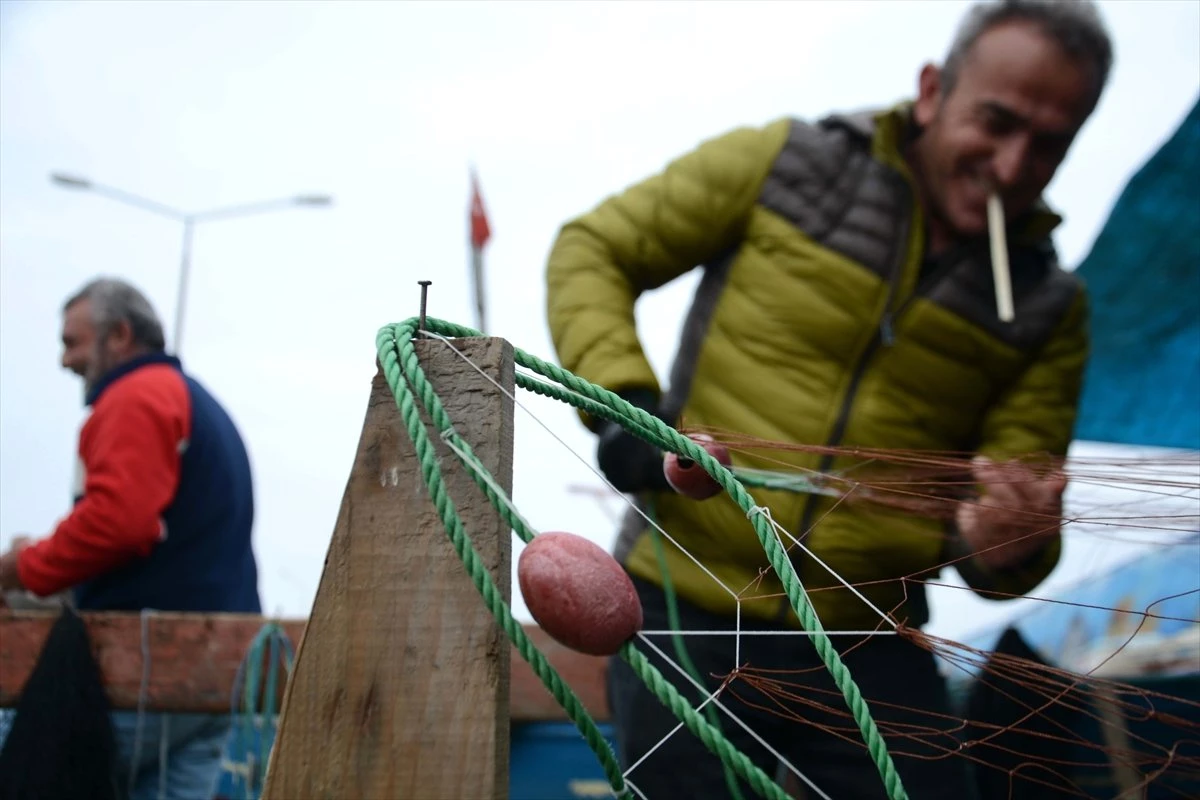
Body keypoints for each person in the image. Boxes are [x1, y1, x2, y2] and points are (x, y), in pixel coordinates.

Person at [543, 1, 1113, 798]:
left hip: (873, 639)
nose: (1014, 166)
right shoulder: (785, 163)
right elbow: (592, 249)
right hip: (688, 604)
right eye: (996, 121)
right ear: (930, 92)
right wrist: (627, 412)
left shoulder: (1050, 307)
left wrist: (1009, 543)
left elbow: (1005, 545)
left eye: (1049, 144)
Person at [0, 277, 261, 800]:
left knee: (28, 765)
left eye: (72, 342)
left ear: (118, 334)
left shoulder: (136, 397)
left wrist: (17, 567)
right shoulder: (195, 401)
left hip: (146, 667)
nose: (64, 360)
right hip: (217, 672)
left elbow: (116, 522)